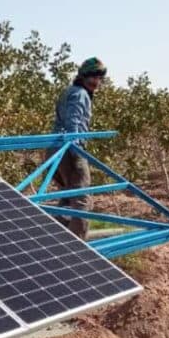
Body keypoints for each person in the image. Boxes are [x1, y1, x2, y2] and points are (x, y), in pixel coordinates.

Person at [49, 56, 108, 240]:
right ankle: (78, 247)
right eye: (92, 77)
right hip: (68, 150)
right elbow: (73, 122)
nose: (96, 82)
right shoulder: (80, 94)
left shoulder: (69, 91)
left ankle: (55, 236)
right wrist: (76, 150)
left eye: (99, 78)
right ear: (83, 76)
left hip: (54, 149)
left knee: (68, 197)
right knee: (82, 199)